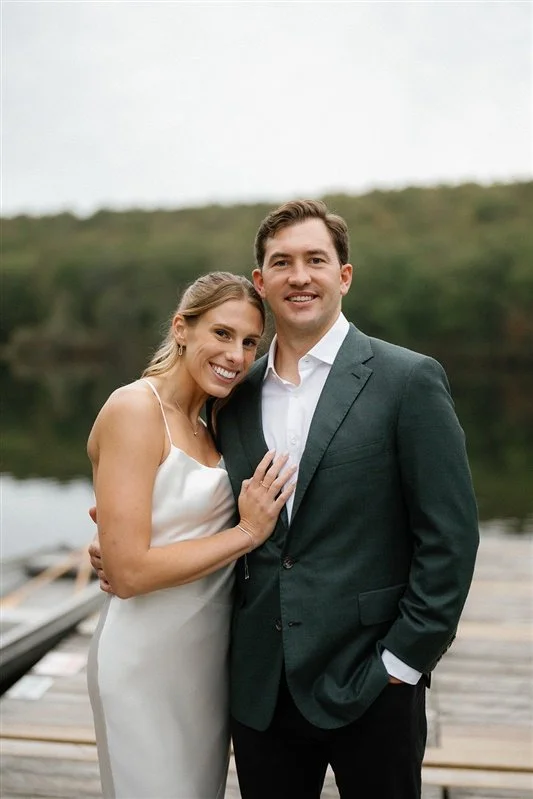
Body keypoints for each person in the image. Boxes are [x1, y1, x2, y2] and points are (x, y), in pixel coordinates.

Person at [91, 200, 479, 799]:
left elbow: (450, 540)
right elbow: (185, 494)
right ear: (261, 281)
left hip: (372, 679)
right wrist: (114, 546)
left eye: (315, 260)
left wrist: (403, 662)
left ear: (343, 276)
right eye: (282, 262)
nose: (299, 275)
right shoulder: (230, 395)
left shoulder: (407, 381)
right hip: (257, 689)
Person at [85, 271, 295, 799]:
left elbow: (172, 525)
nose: (237, 355)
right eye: (221, 334)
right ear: (182, 328)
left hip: (204, 664)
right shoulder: (135, 409)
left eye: (250, 342)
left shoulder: (213, 422)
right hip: (143, 660)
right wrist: (247, 533)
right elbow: (130, 574)